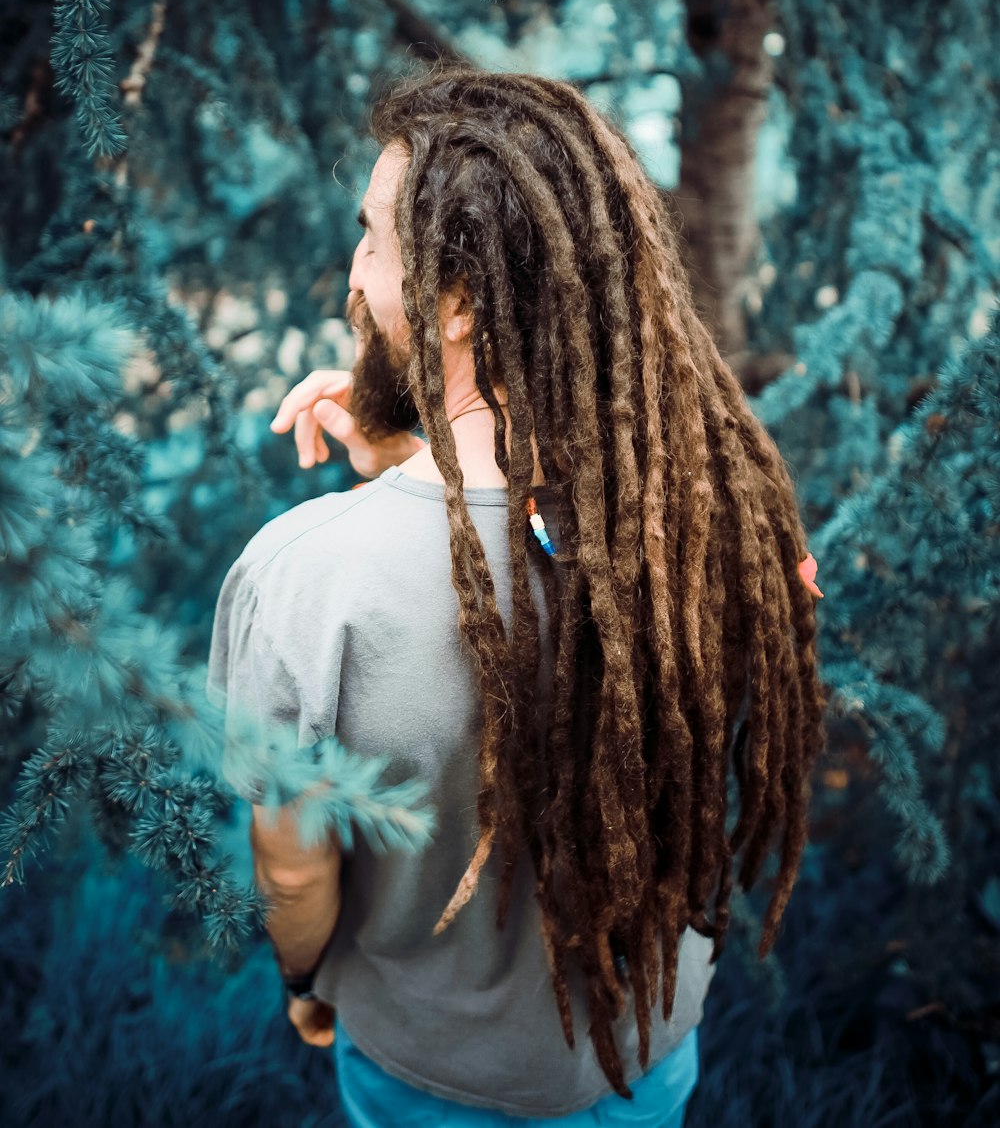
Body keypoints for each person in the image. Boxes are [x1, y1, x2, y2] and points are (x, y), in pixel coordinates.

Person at [207, 67, 828, 1126]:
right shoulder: (705, 524)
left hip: (429, 1081)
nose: (351, 272)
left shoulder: (304, 578)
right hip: (643, 1045)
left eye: (371, 241)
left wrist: (306, 987)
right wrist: (405, 458)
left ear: (454, 306)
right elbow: (534, 556)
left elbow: (296, 876)